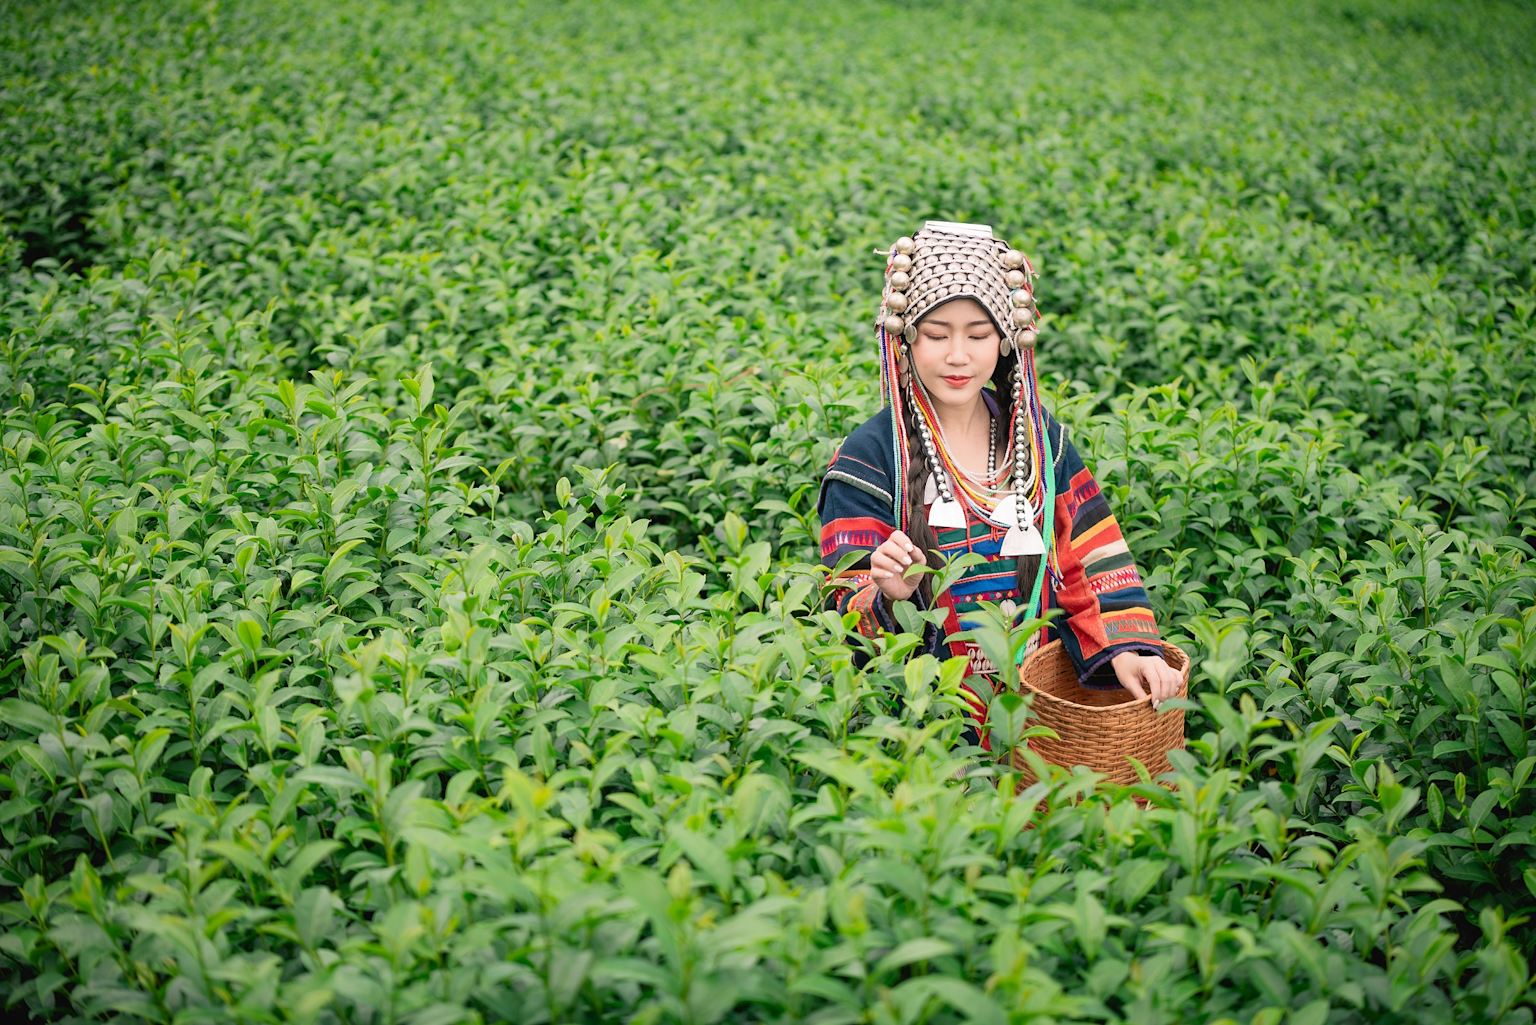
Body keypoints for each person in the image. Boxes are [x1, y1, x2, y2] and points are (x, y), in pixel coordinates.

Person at [817, 221, 1181, 749]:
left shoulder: (1040, 443)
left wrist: (1125, 649)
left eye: (979, 334)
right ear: (904, 339)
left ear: (1008, 340)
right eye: (937, 334)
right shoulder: (871, 457)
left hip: (1038, 713)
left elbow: (1088, 558)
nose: (958, 355)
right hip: (925, 725)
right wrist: (884, 594)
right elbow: (839, 610)